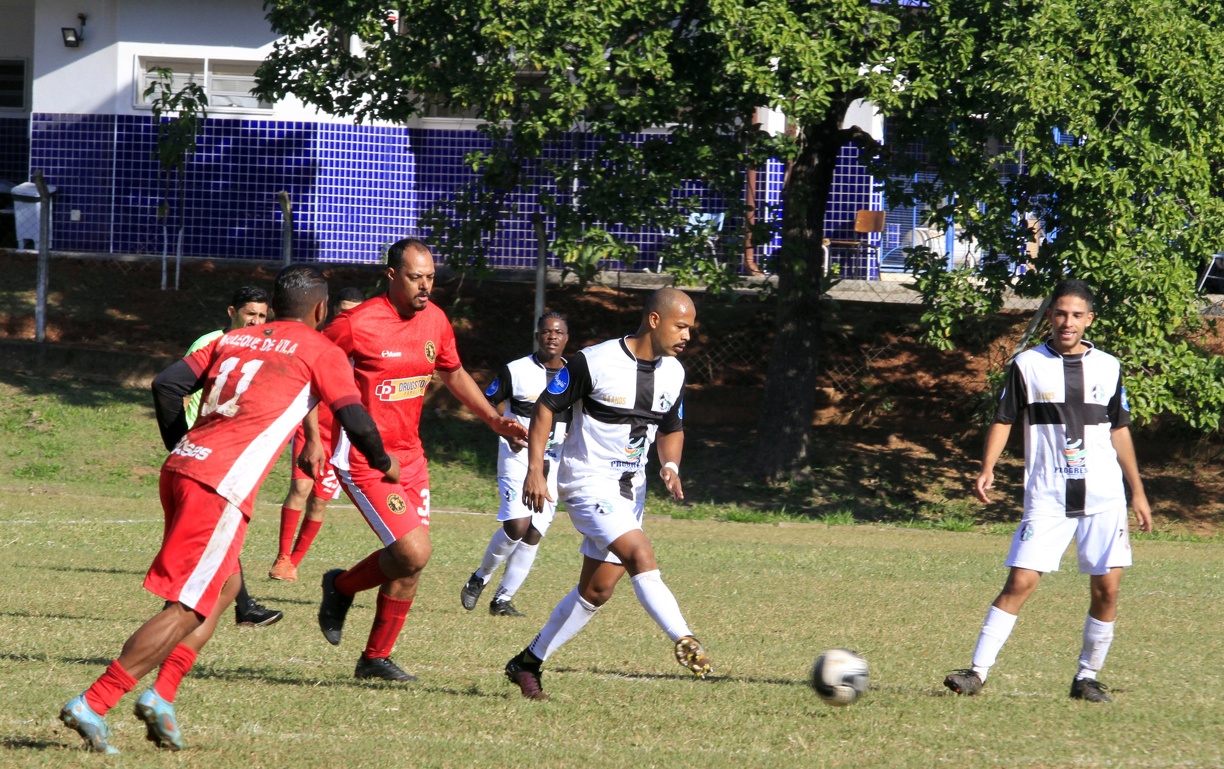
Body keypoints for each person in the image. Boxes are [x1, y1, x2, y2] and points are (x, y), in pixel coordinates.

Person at [58, 266, 399, 754]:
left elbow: (166, 384)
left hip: (183, 469)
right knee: (187, 605)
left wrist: (185, 449)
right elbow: (356, 420)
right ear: (321, 310)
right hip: (218, 485)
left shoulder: (233, 338)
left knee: (226, 588)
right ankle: (96, 701)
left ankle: (163, 695)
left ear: (276, 304)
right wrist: (385, 464)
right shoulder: (321, 349)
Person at [308, 238, 528, 683]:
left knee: (411, 561)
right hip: (366, 457)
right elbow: (311, 366)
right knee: (413, 550)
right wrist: (313, 436)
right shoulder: (357, 323)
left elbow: (452, 371)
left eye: (430, 277)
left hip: (411, 456)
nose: (426, 286)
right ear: (391, 276)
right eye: (415, 277)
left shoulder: (435, 320)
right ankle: (341, 586)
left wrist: (492, 419)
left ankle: (374, 657)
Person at [943, 279, 1153, 703]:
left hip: (1104, 497)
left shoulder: (1109, 366)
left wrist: (1138, 491)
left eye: (1076, 315)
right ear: (1050, 317)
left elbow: (1120, 430)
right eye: (1060, 314)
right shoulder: (1027, 365)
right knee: (1020, 581)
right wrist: (988, 467)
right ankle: (976, 672)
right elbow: (1003, 419)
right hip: (1048, 495)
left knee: (1107, 589)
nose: (1067, 322)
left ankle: (1086, 678)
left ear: (1089, 319)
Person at [503, 287, 711, 701]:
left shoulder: (674, 372)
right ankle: (684, 637)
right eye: (681, 326)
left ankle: (527, 662)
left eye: (691, 328)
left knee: (596, 590)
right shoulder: (594, 361)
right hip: (586, 484)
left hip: (630, 493)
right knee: (641, 554)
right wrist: (535, 471)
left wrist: (670, 466)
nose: (688, 335)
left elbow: (671, 427)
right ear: (655, 320)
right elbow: (546, 407)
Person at [460, 312, 571, 617]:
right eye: (546, 331)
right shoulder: (516, 370)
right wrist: (503, 430)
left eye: (558, 332)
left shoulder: (575, 375)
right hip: (518, 455)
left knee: (534, 532)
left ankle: (502, 600)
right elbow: (489, 401)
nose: (552, 336)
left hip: (554, 460)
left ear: (566, 339)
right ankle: (479, 578)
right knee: (517, 525)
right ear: (538, 337)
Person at [184, 285, 282, 627]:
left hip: (232, 450)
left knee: (219, 529)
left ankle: (241, 606)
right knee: (216, 529)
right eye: (249, 314)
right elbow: (182, 393)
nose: (255, 321)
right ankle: (236, 607)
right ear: (231, 312)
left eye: (261, 315)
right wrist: (186, 439)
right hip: (202, 449)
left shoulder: (265, 346)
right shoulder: (209, 344)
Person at [270, 287, 368, 582]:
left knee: (320, 500)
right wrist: (311, 435)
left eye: (355, 311)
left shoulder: (369, 347)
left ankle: (294, 563)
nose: (348, 316)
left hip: (341, 435)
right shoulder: (321, 341)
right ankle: (282, 557)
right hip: (311, 425)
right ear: (332, 310)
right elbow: (308, 390)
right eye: (344, 310)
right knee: (300, 489)